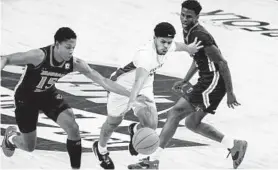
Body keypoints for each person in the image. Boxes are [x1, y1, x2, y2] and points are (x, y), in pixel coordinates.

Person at [127, 1, 248, 169]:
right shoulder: (188, 31)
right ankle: (234, 144)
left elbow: (222, 63)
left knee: (175, 113)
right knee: (192, 123)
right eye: (182, 15)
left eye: (188, 16)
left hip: (213, 82)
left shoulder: (199, 35)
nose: (184, 19)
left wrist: (230, 92)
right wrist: (185, 80)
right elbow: (199, 59)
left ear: (197, 17)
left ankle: (152, 160)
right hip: (208, 80)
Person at [0, 27, 132, 169]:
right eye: (68, 47)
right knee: (29, 146)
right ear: (56, 44)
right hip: (26, 99)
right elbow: (5, 58)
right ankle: (11, 137)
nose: (71, 51)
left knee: (73, 128)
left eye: (73, 48)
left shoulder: (74, 63)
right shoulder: (39, 56)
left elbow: (104, 81)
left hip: (47, 95)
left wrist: (132, 95)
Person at [92, 22, 203, 169]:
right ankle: (101, 149)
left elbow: (177, 46)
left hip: (145, 85)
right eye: (163, 41)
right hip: (121, 85)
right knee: (113, 123)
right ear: (154, 38)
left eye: (168, 42)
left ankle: (136, 130)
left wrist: (189, 48)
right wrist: (133, 101)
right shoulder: (145, 55)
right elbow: (137, 80)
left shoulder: (168, 47)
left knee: (151, 124)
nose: (166, 46)